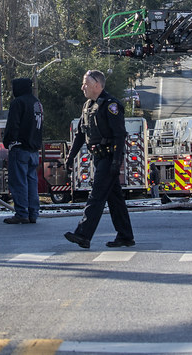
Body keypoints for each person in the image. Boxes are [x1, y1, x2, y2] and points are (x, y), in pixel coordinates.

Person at [64, 69, 135, 249]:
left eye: (86, 84)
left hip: (109, 158)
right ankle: (125, 236)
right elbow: (80, 134)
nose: (83, 87)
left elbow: (120, 135)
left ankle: (83, 234)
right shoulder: (88, 106)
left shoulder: (111, 105)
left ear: (97, 85)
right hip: (98, 157)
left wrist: (116, 162)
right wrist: (70, 157)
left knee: (96, 196)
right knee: (115, 199)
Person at [1, 77, 44, 224]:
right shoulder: (37, 103)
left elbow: (13, 125)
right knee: (32, 182)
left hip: (19, 148)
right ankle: (33, 213)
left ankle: (21, 213)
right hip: (33, 150)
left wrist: (8, 141)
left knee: (18, 182)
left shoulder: (18, 103)